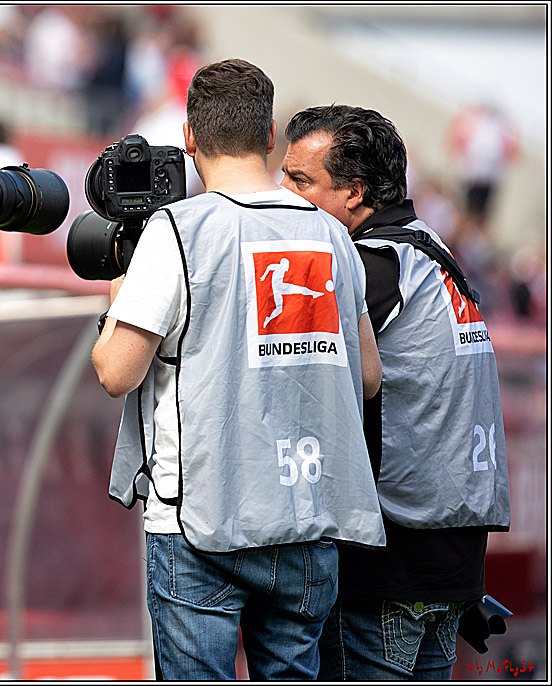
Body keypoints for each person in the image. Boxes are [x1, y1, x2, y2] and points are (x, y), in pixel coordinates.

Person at [91, 58, 386, 680]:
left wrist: (116, 306)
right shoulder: (332, 234)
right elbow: (367, 378)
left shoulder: (179, 229)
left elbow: (116, 373)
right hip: (307, 513)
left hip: (201, 522)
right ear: (271, 134)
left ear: (189, 138)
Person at [280, 104, 511, 680]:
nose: (282, 193)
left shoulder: (370, 264)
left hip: (388, 570)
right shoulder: (430, 249)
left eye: (300, 180)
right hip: (448, 566)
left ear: (354, 193)